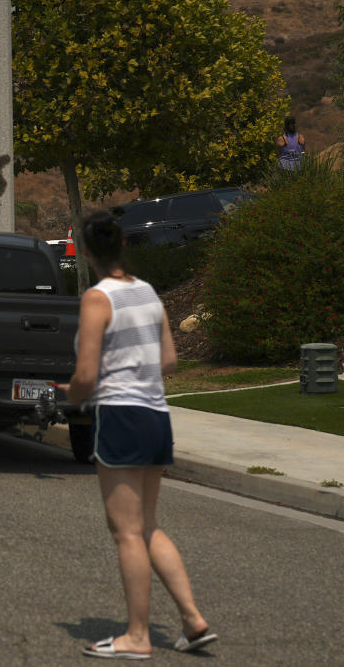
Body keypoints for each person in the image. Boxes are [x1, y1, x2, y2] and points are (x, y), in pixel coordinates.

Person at [58, 211, 216, 660]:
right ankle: (192, 619)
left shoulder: (96, 298)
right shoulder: (148, 293)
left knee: (125, 532)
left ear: (86, 251)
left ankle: (137, 636)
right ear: (123, 244)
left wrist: (71, 392)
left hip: (121, 415)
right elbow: (169, 361)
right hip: (155, 416)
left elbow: (87, 374)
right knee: (147, 526)